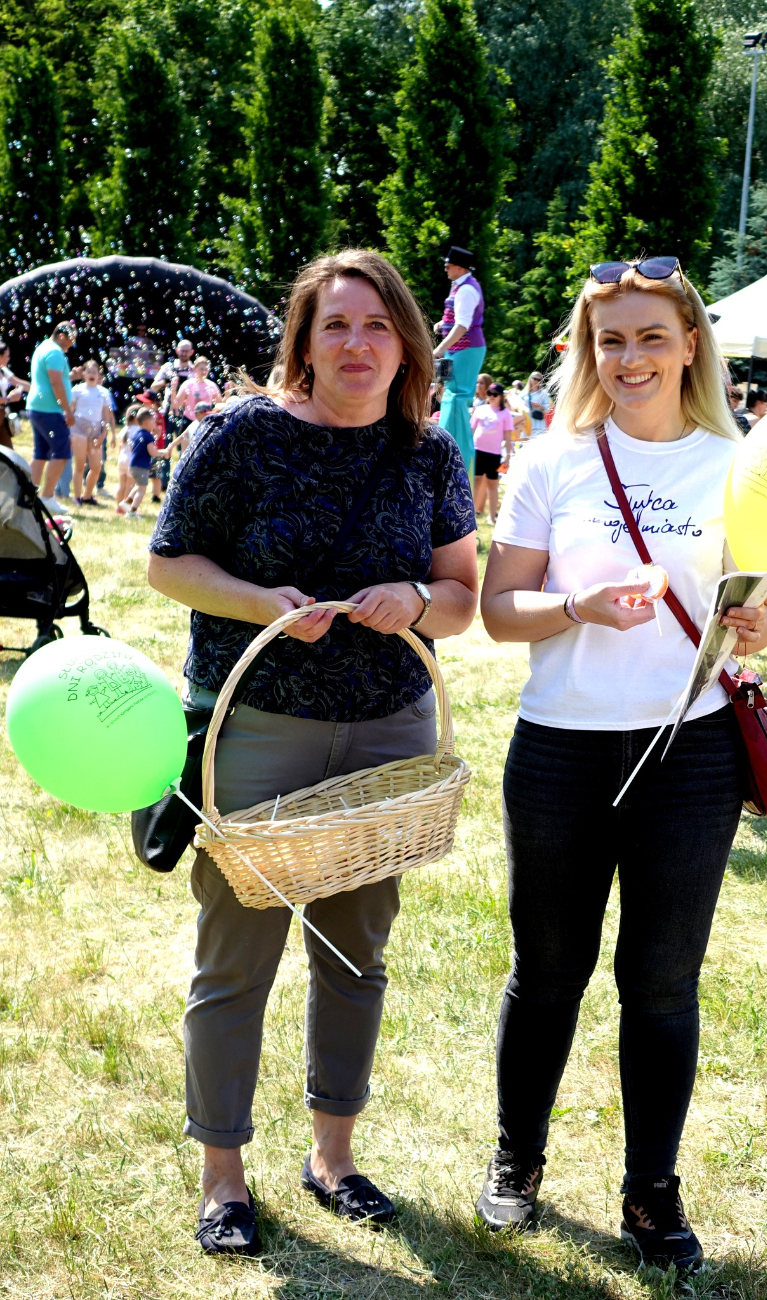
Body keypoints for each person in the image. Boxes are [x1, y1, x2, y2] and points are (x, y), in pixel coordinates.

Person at [146, 248, 478, 1257]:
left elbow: (461, 597)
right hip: (261, 730)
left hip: (387, 737)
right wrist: (261, 605)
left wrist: (417, 601)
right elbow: (167, 564)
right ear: (303, 341)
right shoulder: (241, 437)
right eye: (336, 324)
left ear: (407, 344)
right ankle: (224, 1173)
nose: (358, 344)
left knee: (355, 954)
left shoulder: (428, 455)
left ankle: (333, 1155)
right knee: (235, 958)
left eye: (377, 326)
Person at [477, 256, 767, 1273]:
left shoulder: (737, 465)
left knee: (661, 982)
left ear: (692, 342)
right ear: (587, 350)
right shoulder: (552, 461)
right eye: (612, 339)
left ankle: (652, 1190)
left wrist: (757, 620)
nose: (631, 357)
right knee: (548, 969)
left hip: (689, 752)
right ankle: (519, 1158)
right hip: (559, 749)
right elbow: (496, 611)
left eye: (653, 335)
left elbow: (757, 618)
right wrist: (579, 606)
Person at [432, 245, 487, 473]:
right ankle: (444, 446)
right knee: (447, 395)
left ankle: (459, 458)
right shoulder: (460, 286)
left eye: (447, 265)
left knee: (457, 398)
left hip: (466, 349)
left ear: (458, 267)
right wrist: (441, 326)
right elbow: (455, 320)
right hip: (456, 350)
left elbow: (463, 326)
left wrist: (438, 350)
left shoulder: (466, 290)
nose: (445, 269)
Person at [26, 321, 77, 516]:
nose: (72, 344)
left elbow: (55, 379)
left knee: (40, 454)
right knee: (62, 453)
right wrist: (67, 410)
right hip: (50, 410)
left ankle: (29, 493)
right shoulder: (55, 352)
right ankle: (47, 497)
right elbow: (55, 383)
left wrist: (72, 376)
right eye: (71, 339)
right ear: (62, 336)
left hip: (37, 408)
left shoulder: (43, 348)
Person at [70, 360, 115, 506]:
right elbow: (71, 410)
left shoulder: (103, 392)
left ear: (98, 375)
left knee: (96, 467)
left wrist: (104, 434)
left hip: (96, 429)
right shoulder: (77, 390)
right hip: (79, 427)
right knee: (80, 464)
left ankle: (87, 496)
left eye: (94, 372)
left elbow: (106, 415)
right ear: (83, 374)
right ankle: (77, 496)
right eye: (88, 371)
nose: (91, 374)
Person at [471, 382, 515, 523]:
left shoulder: (506, 414)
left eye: (495, 394)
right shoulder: (481, 409)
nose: (492, 396)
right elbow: (471, 430)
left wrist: (508, 454)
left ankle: (492, 517)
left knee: (492, 484)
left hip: (494, 453)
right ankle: (470, 515)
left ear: (501, 396)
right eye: (489, 393)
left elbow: (508, 436)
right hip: (477, 450)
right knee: (475, 482)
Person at [119, 408, 171, 517]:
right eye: (153, 421)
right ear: (147, 422)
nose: (155, 424)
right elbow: (152, 452)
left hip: (133, 465)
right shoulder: (148, 436)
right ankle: (132, 512)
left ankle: (126, 502)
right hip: (142, 467)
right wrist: (163, 452)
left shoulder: (137, 434)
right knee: (142, 490)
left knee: (138, 486)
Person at [151, 338, 196, 434]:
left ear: (192, 352)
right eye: (182, 350)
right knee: (164, 444)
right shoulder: (168, 367)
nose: (184, 353)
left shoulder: (195, 370)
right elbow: (153, 387)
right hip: (167, 411)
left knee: (185, 446)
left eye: (186, 351)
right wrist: (166, 381)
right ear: (176, 350)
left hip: (187, 413)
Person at [174, 357, 221, 427]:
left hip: (206, 422)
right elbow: (176, 404)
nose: (204, 372)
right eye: (201, 369)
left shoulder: (212, 385)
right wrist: (173, 390)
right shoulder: (188, 384)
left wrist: (225, 395)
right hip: (189, 422)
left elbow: (219, 405)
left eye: (206, 369)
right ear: (194, 368)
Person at [0, 339, 29, 450]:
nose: (9, 359)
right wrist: (9, 398)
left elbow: (18, 382)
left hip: (3, 415)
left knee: (8, 452)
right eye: (6, 356)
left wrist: (38, 389)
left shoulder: (3, 370)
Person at [115, 405, 138, 511]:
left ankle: (118, 507)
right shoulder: (138, 430)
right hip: (131, 460)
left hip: (122, 459)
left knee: (121, 485)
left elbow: (121, 445)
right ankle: (125, 507)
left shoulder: (125, 429)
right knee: (130, 485)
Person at [525, 371, 551, 437]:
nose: (536, 381)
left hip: (538, 422)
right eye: (534, 378)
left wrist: (539, 406)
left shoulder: (543, 393)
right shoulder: (524, 393)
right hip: (526, 422)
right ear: (530, 379)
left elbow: (548, 408)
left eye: (539, 380)